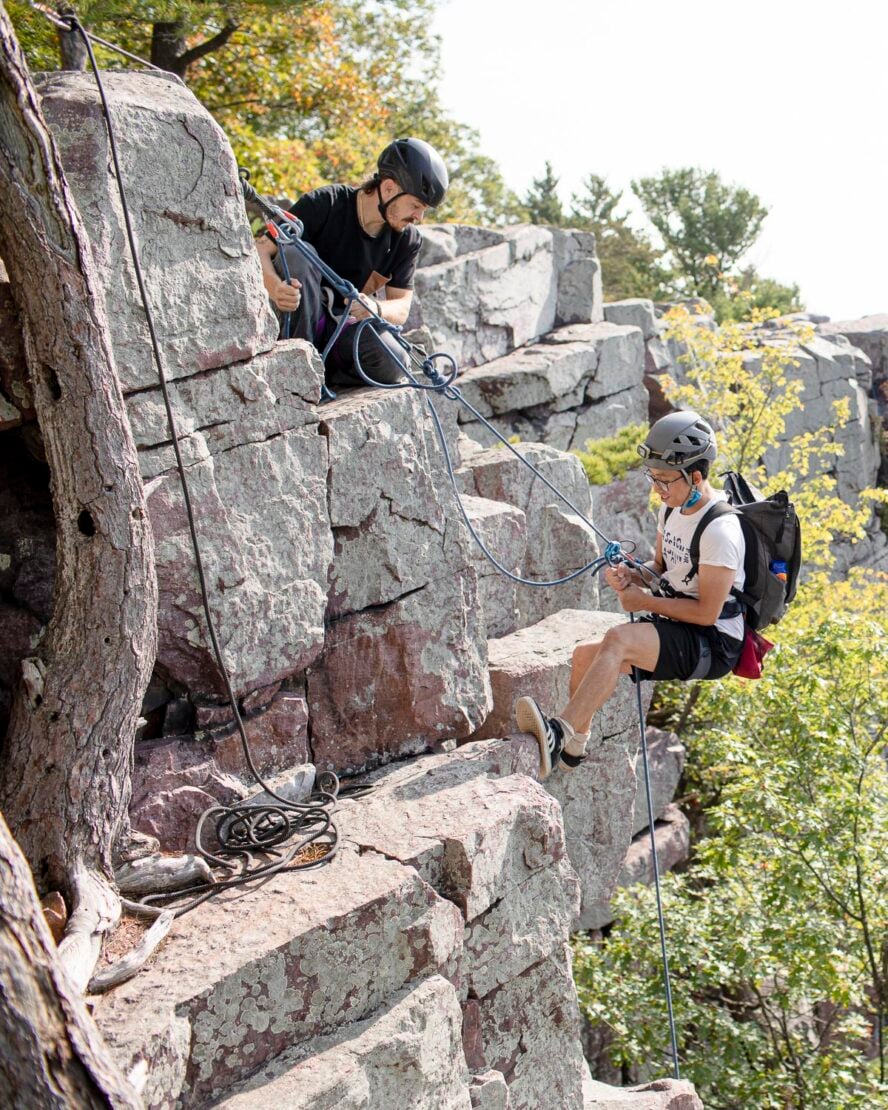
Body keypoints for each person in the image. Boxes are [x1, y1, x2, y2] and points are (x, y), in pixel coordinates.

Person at [516, 411, 746, 779]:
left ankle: (559, 733)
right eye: (652, 477)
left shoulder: (720, 531)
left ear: (696, 477)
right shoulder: (671, 510)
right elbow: (660, 565)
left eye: (666, 480)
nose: (658, 488)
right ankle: (576, 746)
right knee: (583, 658)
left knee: (619, 640)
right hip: (681, 620)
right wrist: (633, 574)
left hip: (714, 641)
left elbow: (707, 612)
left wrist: (645, 602)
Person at [254, 137, 448, 389]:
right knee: (294, 252)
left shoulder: (406, 239)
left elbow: (401, 308)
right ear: (389, 188)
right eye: (415, 206)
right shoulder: (326, 203)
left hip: (343, 331)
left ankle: (328, 373)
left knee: (394, 361)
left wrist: (374, 307)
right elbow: (262, 249)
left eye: (424, 210)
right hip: (299, 316)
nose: (419, 217)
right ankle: (300, 368)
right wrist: (275, 287)